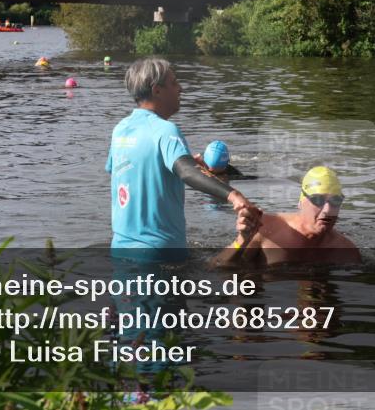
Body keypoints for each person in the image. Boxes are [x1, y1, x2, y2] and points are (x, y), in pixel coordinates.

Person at [106, 58, 261, 260]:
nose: (180, 88)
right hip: (160, 252)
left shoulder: (120, 129)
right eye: (174, 82)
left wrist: (182, 162)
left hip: (120, 249)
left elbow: (130, 171)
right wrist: (234, 196)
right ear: (157, 90)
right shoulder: (164, 130)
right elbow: (186, 172)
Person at [216, 166, 361, 267]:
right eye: (318, 200)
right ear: (301, 201)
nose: (327, 210)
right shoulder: (265, 229)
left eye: (335, 201)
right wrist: (242, 240)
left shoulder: (346, 252)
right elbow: (217, 268)